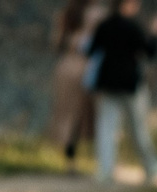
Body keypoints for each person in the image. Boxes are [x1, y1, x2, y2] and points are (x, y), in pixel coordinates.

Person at [86, 0, 157, 185]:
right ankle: (150, 166)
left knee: (106, 127)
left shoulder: (104, 25)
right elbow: (150, 53)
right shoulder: (132, 27)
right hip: (130, 84)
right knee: (138, 128)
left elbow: (91, 51)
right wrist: (156, 34)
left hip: (108, 83)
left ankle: (105, 171)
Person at [49, 0, 109, 170]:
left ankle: (70, 162)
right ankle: (105, 162)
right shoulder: (98, 13)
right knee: (97, 115)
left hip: (66, 67)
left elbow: (57, 44)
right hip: (89, 68)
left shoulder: (66, 13)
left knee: (69, 116)